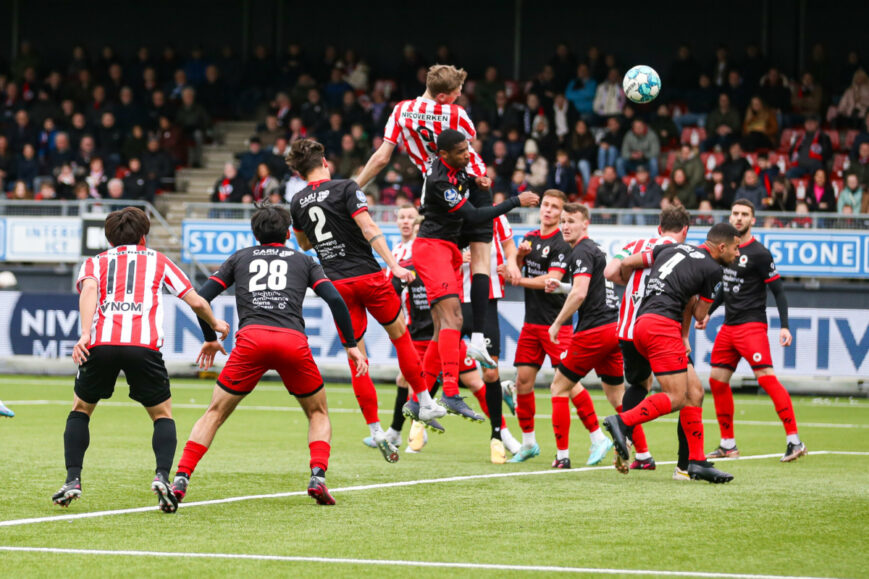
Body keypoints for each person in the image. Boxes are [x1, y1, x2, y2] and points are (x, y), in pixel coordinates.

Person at [172, 204, 366, 507]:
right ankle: (318, 475)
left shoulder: (240, 257)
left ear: (254, 233)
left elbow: (200, 298)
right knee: (318, 412)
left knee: (215, 412)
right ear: (288, 233)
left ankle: (182, 476)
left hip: (251, 341)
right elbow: (335, 299)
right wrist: (351, 345)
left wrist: (210, 338)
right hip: (293, 342)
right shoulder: (304, 260)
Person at [52, 207, 228, 512]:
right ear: (144, 236)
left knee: (81, 409)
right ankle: (162, 476)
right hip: (142, 346)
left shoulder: (96, 262)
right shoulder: (159, 261)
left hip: (101, 344)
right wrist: (216, 324)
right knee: (162, 414)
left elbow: (90, 289)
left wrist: (84, 334)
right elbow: (196, 299)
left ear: (109, 238)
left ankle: (72, 480)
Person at [287, 139, 446, 462]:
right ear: (325, 162)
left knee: (357, 356)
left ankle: (375, 430)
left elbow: (303, 242)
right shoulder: (346, 187)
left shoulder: (298, 200)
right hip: (368, 276)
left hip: (336, 285)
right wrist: (394, 264)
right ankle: (426, 401)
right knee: (400, 335)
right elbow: (368, 226)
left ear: (299, 171)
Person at [354, 64, 496, 365]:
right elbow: (469, 142)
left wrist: (353, 187)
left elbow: (381, 158)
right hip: (471, 183)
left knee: (443, 269)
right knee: (482, 260)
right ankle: (479, 339)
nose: (459, 99)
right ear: (444, 96)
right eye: (456, 94)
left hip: (434, 192)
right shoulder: (455, 115)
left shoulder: (402, 110)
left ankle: (428, 392)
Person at [412, 130, 537, 430]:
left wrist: (472, 181)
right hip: (433, 249)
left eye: (468, 148)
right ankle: (452, 393)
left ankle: (419, 401)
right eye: (460, 151)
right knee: (453, 320)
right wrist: (515, 201)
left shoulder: (452, 170)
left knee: (441, 327)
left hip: (448, 250)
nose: (467, 154)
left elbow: (460, 180)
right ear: (444, 155)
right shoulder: (441, 181)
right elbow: (476, 217)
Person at [603, 222, 742, 484]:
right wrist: (709, 295)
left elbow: (628, 262)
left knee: (695, 391)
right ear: (721, 246)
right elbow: (701, 312)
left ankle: (695, 462)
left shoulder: (670, 249)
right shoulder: (713, 270)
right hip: (662, 326)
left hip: (641, 324)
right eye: (735, 248)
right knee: (677, 396)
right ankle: (622, 423)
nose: (737, 254)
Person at [700, 200, 807, 463]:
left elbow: (779, 292)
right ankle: (728, 444)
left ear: (753, 220)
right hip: (728, 326)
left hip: (751, 326)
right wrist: (707, 313)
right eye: (735, 213)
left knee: (766, 379)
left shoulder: (760, 253)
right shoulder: (727, 250)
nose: (738, 218)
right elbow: (726, 289)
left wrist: (784, 326)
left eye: (744, 214)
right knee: (716, 380)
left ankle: (795, 441)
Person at [604, 206, 691, 477]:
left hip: (628, 329)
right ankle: (686, 464)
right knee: (686, 392)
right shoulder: (682, 253)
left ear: (659, 228)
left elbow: (610, 272)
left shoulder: (636, 244)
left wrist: (628, 278)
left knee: (640, 383)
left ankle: (628, 440)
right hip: (660, 330)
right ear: (685, 231)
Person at [541, 203, 623, 469]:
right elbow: (584, 288)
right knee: (618, 399)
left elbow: (580, 294)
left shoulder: (581, 251)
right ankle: (644, 455)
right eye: (563, 221)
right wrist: (563, 286)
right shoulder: (595, 248)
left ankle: (563, 456)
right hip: (613, 328)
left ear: (585, 224)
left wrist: (556, 324)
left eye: (571, 221)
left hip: (594, 331)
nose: (565, 226)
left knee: (558, 387)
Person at [506, 189, 573, 463]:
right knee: (522, 382)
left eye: (555, 207)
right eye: (545, 205)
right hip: (531, 324)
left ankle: (593, 438)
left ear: (561, 213)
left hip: (557, 325)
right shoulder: (530, 238)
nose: (548, 210)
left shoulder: (562, 242)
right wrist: (518, 258)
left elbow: (552, 280)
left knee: (568, 384)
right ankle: (529, 443)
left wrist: (518, 280)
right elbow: (517, 266)